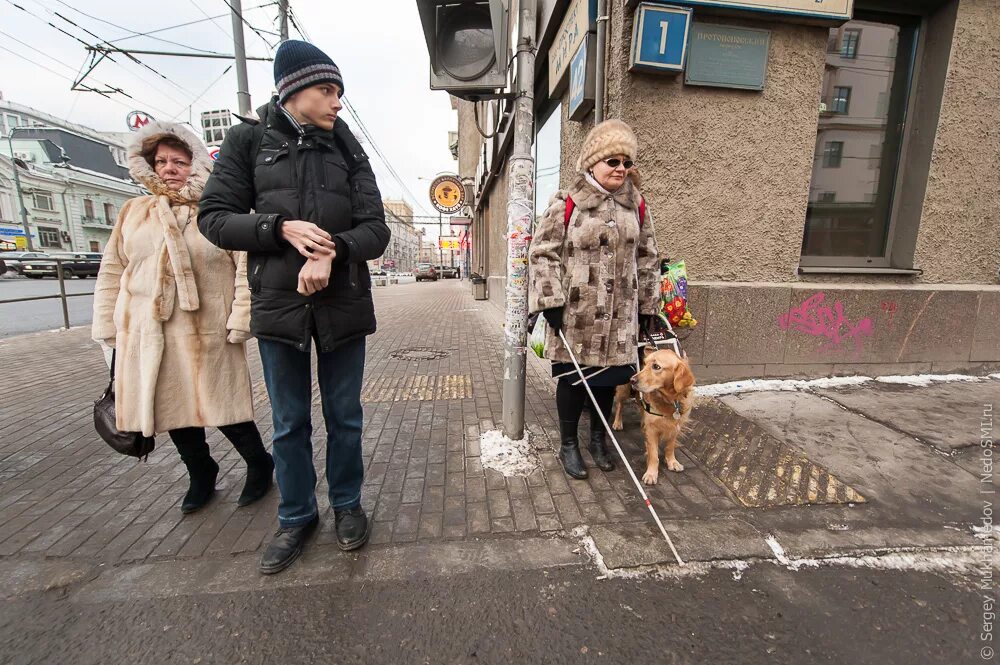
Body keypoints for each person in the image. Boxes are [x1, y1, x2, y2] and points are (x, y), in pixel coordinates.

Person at [198, 40, 390, 574]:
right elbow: (213, 218)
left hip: (343, 303)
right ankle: (297, 515)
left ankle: (347, 505)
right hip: (278, 305)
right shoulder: (247, 141)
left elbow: (377, 230)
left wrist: (332, 249)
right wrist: (276, 227)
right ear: (294, 90)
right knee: (288, 422)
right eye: (328, 91)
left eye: (339, 93)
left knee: (345, 417)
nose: (337, 103)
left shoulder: (347, 147)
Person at [92, 121, 273, 514]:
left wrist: (242, 317)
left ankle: (260, 464)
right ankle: (200, 472)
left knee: (226, 408)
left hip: (208, 328)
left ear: (198, 164)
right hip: (149, 330)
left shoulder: (218, 211)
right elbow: (112, 269)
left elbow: (244, 266)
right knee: (174, 411)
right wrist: (108, 326)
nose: (169, 168)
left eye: (179, 161)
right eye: (161, 161)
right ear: (148, 166)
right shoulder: (134, 213)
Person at [528, 119, 661, 480]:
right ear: (592, 163)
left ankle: (598, 440)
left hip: (620, 315)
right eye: (612, 161)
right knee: (574, 379)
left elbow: (648, 257)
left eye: (626, 162)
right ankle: (568, 444)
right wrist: (550, 301)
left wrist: (650, 306)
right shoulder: (566, 202)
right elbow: (542, 252)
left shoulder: (637, 205)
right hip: (577, 314)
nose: (621, 168)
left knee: (607, 380)